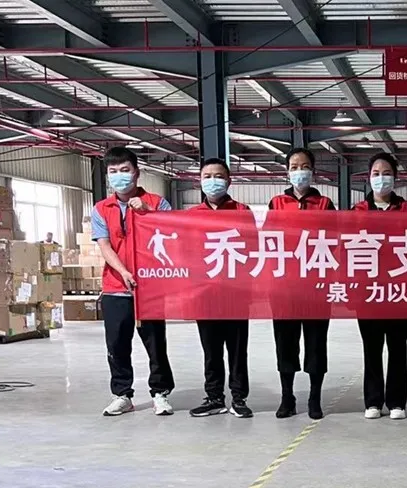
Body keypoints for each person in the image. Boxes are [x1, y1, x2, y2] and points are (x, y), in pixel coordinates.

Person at [92, 146, 175, 417]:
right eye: (113, 171)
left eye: (125, 170)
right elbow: (104, 245)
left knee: (155, 343)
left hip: (150, 288)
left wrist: (148, 212)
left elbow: (173, 232)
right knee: (117, 344)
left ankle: (160, 392)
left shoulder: (157, 202)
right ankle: (122, 394)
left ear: (136, 173)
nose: (120, 176)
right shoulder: (101, 209)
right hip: (116, 287)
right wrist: (123, 272)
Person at [269, 148, 337, 420]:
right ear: (287, 171)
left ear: (313, 171)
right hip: (284, 288)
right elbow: (268, 241)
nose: (300, 171)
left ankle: (314, 397)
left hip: (316, 287)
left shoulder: (325, 204)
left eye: (305, 166)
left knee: (316, 343)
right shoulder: (276, 203)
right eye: (294, 166)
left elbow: (334, 241)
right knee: (285, 344)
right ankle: (287, 397)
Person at [353, 152, 407, 420]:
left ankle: (397, 402)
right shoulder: (358, 211)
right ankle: (373, 401)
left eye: (387, 173)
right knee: (372, 347)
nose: (381, 178)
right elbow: (347, 250)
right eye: (376, 174)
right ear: (369, 178)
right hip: (367, 291)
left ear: (395, 177)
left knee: (397, 346)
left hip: (399, 290)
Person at [188, 158, 253, 419]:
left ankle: (239, 398)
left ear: (229, 181)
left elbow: (252, 248)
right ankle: (214, 397)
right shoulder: (192, 216)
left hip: (236, 294)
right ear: (200, 181)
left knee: (237, 350)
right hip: (204, 294)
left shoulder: (242, 211)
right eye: (207, 176)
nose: (212, 181)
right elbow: (185, 251)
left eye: (218, 176)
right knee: (211, 350)